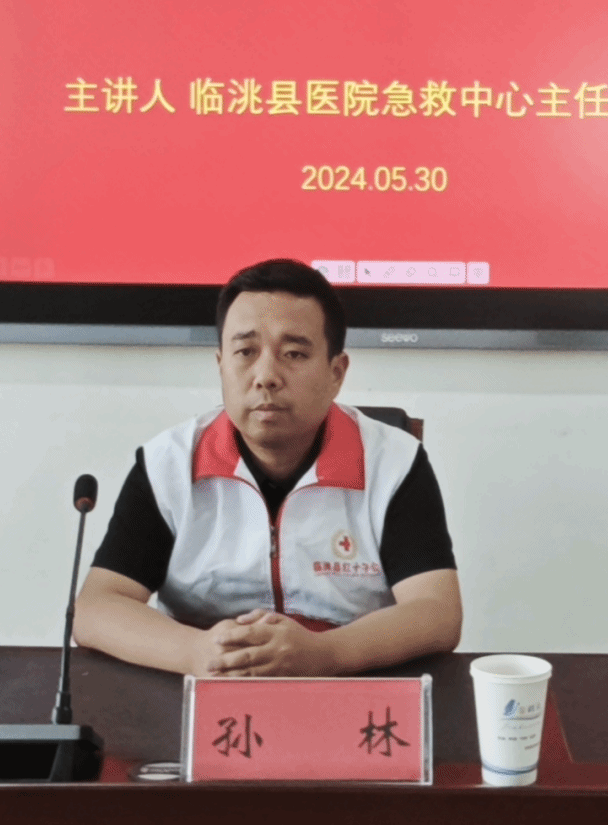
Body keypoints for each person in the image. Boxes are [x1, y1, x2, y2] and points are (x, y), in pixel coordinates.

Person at [73, 258, 461, 676]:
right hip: (210, 683)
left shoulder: (394, 462)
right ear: (221, 365)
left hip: (346, 682)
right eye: (245, 352)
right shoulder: (167, 463)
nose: (266, 376)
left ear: (336, 373)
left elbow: (436, 610)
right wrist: (196, 652)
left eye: (293, 353)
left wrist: (324, 654)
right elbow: (96, 608)